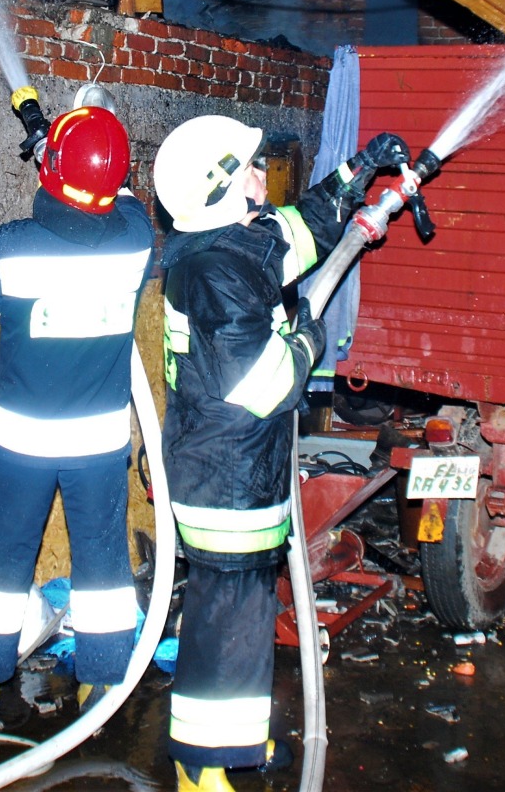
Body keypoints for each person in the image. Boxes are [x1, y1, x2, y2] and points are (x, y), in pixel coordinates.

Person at [150, 116, 410, 792]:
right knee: (226, 618)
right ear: (222, 189)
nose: (262, 173)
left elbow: (304, 230)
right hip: (224, 478)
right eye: (248, 167)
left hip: (238, 466)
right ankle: (199, 765)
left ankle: (235, 741)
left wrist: (359, 171)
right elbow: (263, 383)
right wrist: (309, 339)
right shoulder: (215, 273)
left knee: (243, 614)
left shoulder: (236, 240)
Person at [0, 104, 155, 727]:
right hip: (98, 442)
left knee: (3, 552)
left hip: (22, 441)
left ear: (52, 173)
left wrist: (54, 164)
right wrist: (77, 165)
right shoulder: (136, 242)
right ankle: (103, 681)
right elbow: (123, 199)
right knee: (102, 559)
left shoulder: (13, 247)